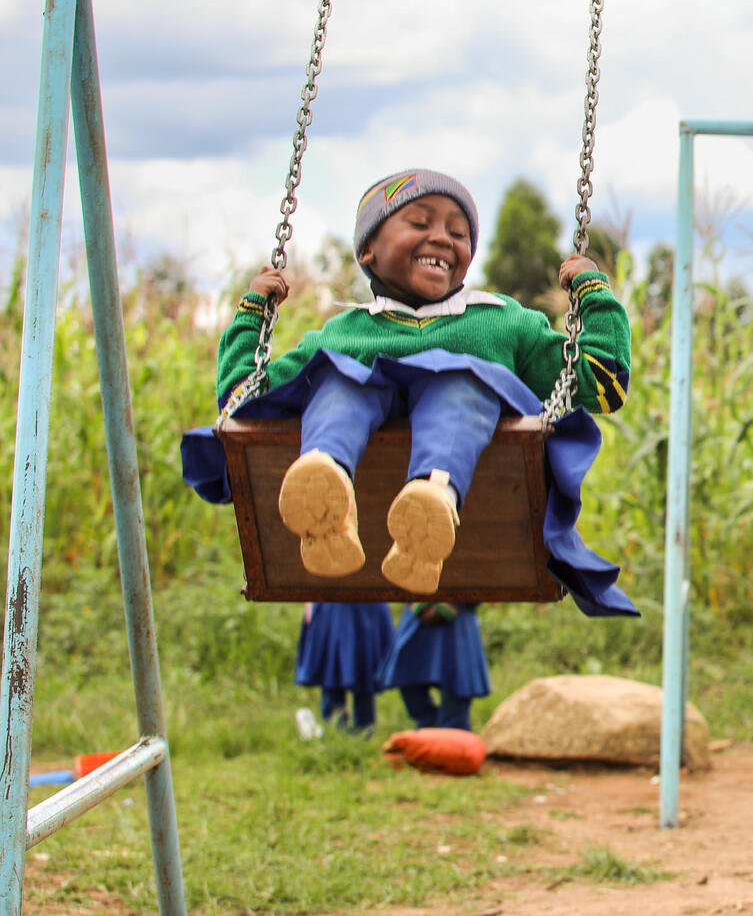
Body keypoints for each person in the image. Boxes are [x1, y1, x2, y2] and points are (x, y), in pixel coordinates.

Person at [181, 169, 638, 615]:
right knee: (339, 380)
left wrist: (593, 292)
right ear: (368, 252)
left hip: (465, 464)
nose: (442, 237)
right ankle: (324, 486)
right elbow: (243, 402)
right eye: (419, 223)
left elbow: (603, 383)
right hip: (347, 422)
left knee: (461, 384)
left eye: (459, 233)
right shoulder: (343, 332)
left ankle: (431, 503)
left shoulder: (501, 320)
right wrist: (252, 313)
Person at [382, 601, 490, 732]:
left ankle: (453, 731)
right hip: (418, 611)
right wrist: (419, 605)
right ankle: (428, 723)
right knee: (406, 673)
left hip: (458, 616)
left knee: (458, 685)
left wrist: (451, 605)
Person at [293, 601, 394, 734]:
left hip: (365, 602)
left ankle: (364, 728)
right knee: (332, 665)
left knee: (363, 664)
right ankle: (337, 728)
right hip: (334, 603)